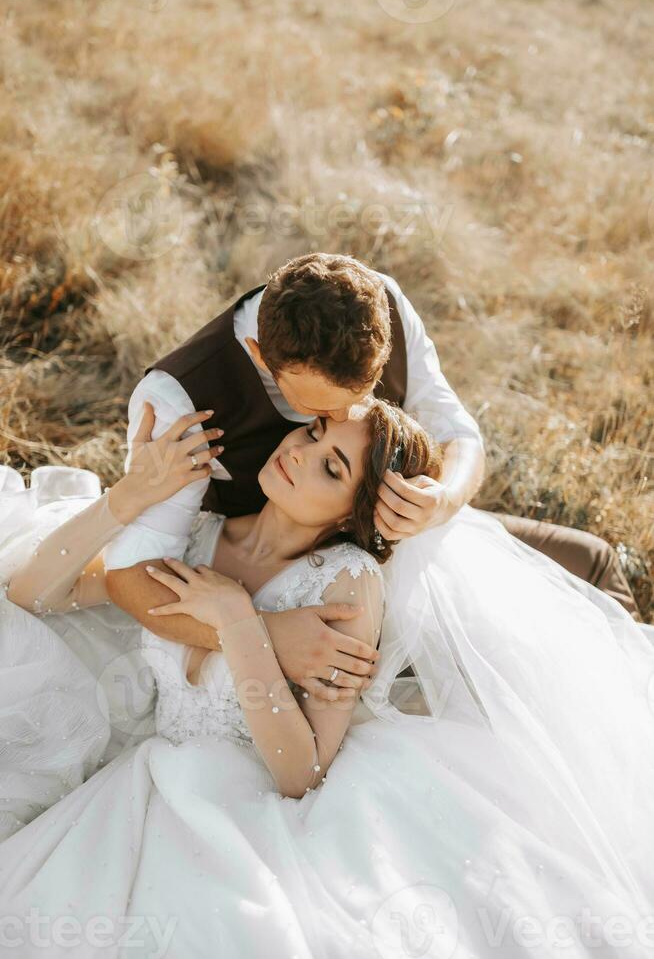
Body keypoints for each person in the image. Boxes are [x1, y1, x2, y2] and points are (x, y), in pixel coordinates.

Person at [0, 395, 653, 958]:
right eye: (313, 433)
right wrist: (129, 498)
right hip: (137, 792)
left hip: (251, 814)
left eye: (332, 465)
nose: (300, 452)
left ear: (350, 515)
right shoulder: (196, 534)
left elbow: (301, 773)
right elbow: (35, 593)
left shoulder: (344, 583)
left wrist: (238, 623)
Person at [102, 252, 641, 703]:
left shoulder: (380, 305)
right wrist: (263, 636)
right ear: (259, 356)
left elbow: (458, 434)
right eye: (316, 413)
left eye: (362, 396)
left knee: (590, 566)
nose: (344, 417)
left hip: (416, 553)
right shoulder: (179, 399)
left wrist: (443, 500)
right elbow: (129, 577)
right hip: (311, 601)